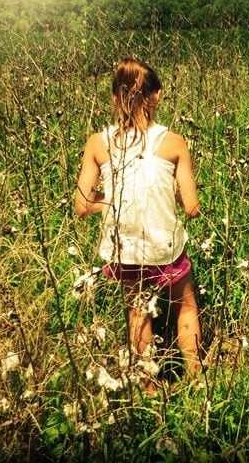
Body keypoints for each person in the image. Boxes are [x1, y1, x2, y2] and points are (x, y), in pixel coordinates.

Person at [74, 58, 202, 392]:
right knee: (185, 306)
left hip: (123, 251)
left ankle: (147, 386)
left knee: (137, 311)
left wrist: (113, 198)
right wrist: (167, 193)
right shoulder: (173, 142)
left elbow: (82, 205)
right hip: (164, 248)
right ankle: (196, 379)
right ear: (157, 96)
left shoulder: (96, 143)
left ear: (115, 98)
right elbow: (192, 207)